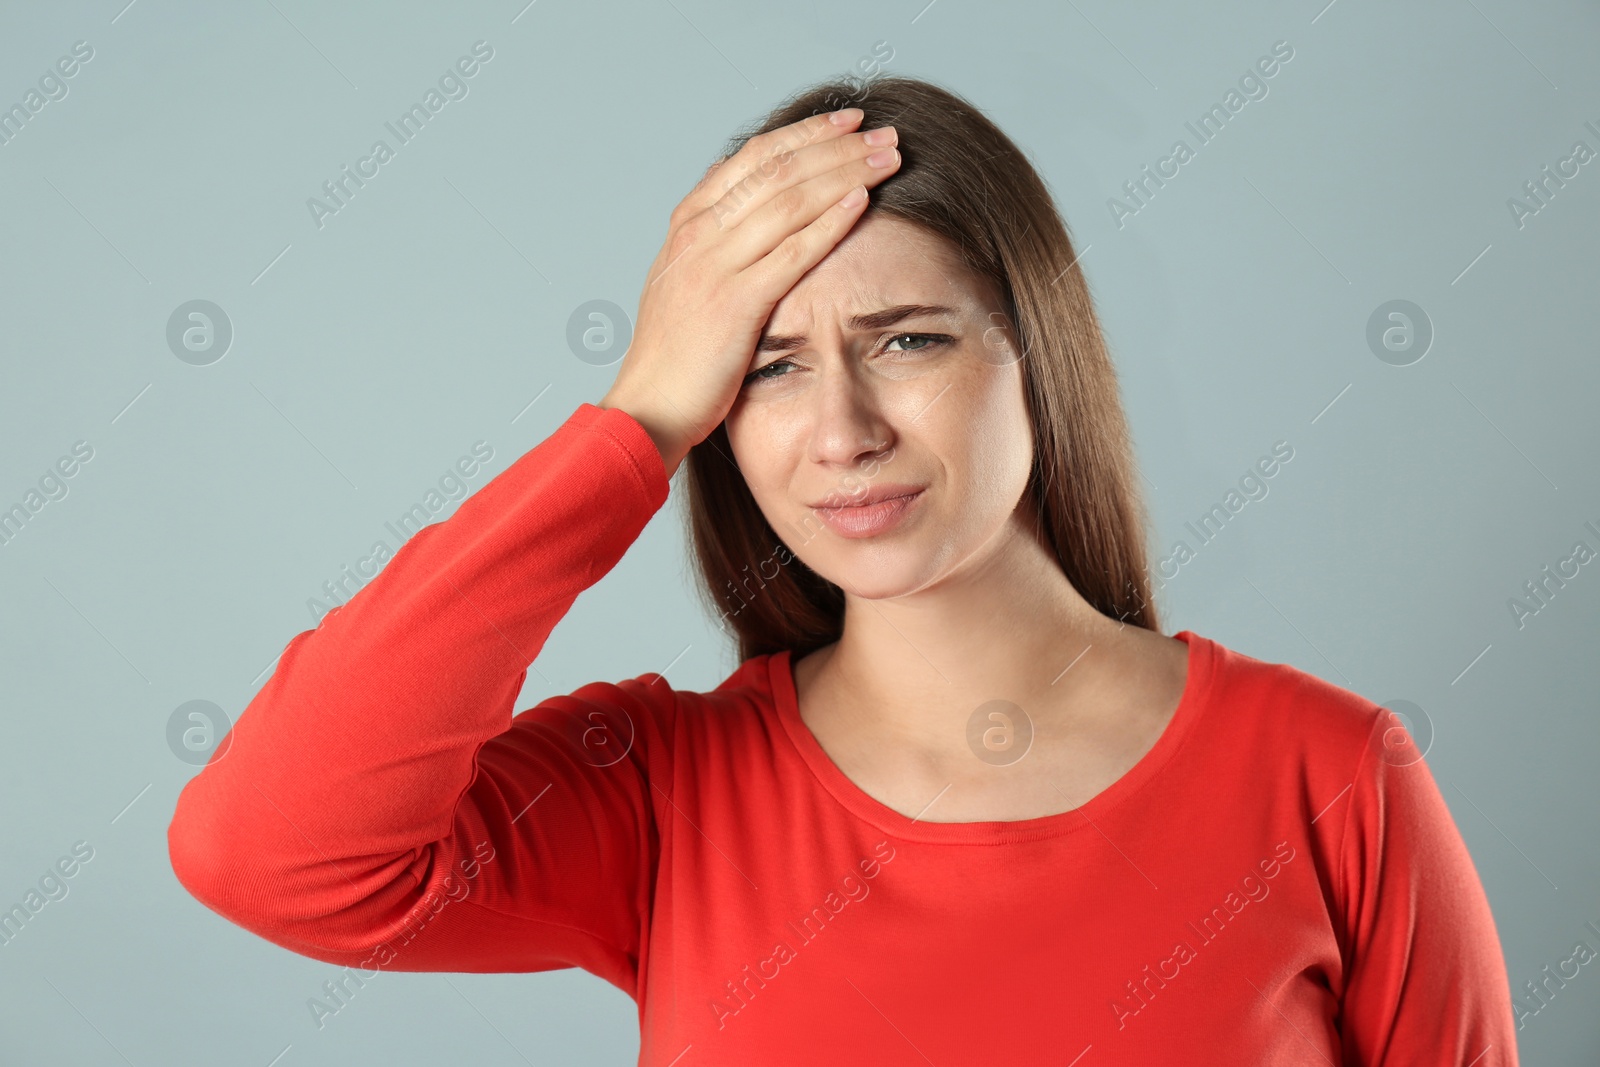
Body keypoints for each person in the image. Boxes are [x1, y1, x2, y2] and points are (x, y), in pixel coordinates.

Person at [167, 74, 1519, 1063]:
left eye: (909, 342)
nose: (843, 434)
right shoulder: (661, 796)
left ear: (1037, 355)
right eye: (767, 368)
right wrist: (631, 423)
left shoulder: (1336, 780)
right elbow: (268, 853)